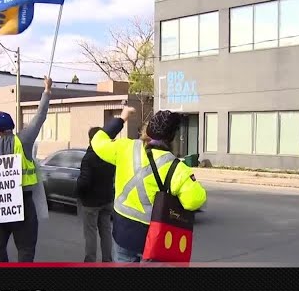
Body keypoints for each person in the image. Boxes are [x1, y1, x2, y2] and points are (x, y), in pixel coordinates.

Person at [91, 107, 207, 263]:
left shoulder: (125, 148)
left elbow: (97, 142)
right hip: (155, 240)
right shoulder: (176, 168)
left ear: (149, 129)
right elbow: (194, 200)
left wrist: (121, 119)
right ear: (172, 137)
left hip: (123, 235)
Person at [0, 76, 52, 262]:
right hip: (22, 203)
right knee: (26, 248)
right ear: (12, 127)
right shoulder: (24, 140)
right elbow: (40, 117)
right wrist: (46, 90)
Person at [77, 127, 116, 262]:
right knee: (106, 231)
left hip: (91, 202)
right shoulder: (109, 155)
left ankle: (90, 261)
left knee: (90, 232)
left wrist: (79, 194)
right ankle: (107, 260)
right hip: (107, 199)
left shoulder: (89, 158)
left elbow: (84, 182)